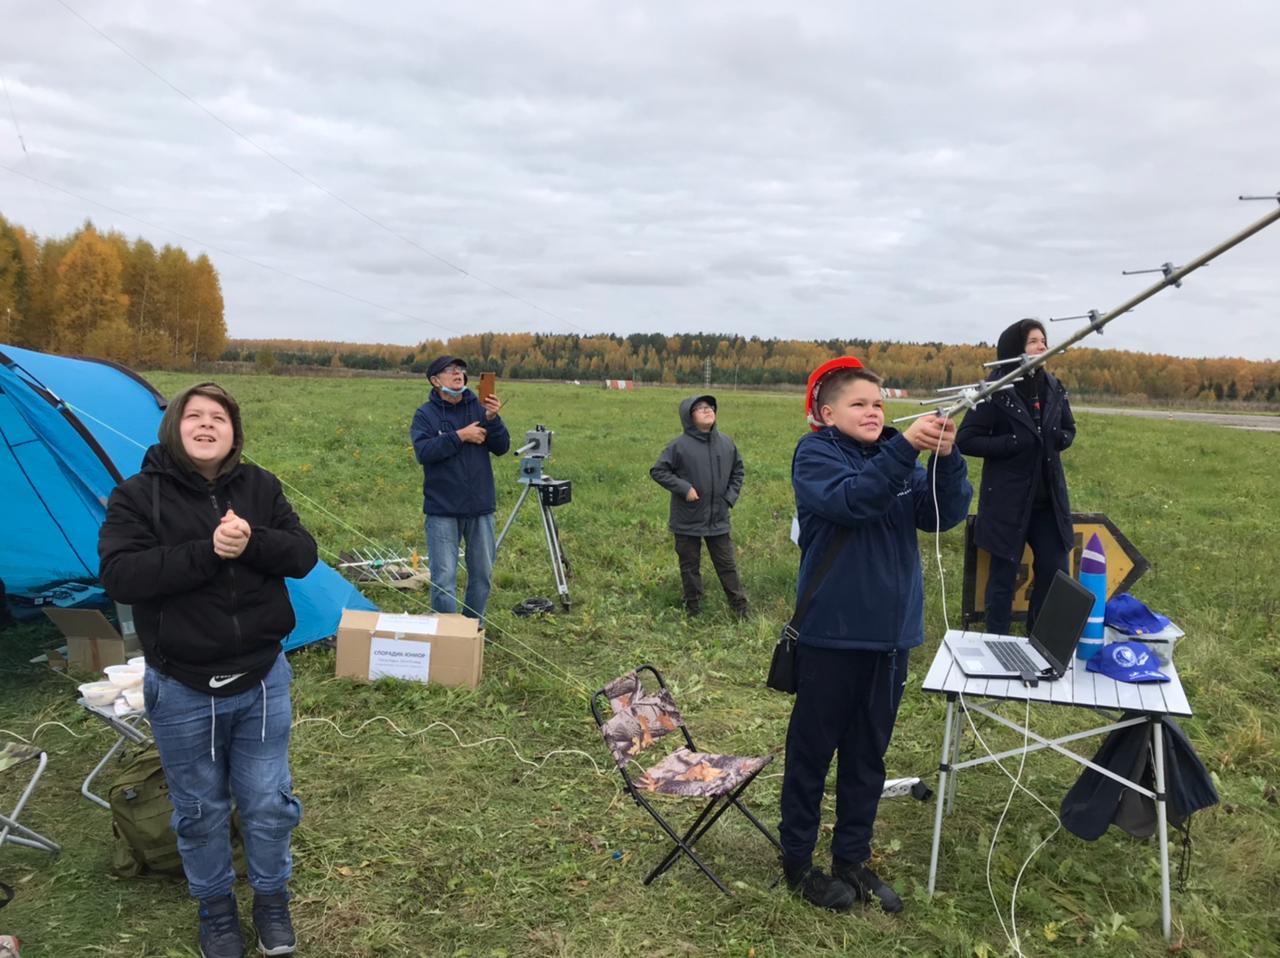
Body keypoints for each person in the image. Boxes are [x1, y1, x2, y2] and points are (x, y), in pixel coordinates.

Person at [98, 383, 317, 958]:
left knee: (268, 801)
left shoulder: (260, 486)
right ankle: (216, 912)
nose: (205, 424)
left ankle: (272, 901)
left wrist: (251, 542)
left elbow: (302, 555)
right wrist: (207, 552)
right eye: (192, 416)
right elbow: (121, 577)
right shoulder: (136, 496)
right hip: (182, 684)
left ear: (233, 432)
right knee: (198, 809)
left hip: (262, 677)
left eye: (217, 417)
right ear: (173, 428)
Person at [779, 358, 971, 913]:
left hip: (891, 640)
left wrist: (948, 457)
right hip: (831, 638)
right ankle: (798, 863)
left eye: (880, 403)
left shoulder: (898, 458)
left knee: (868, 757)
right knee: (812, 755)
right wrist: (905, 448)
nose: (873, 411)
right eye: (860, 403)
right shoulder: (815, 455)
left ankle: (852, 860)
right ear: (826, 412)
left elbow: (943, 515)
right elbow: (854, 501)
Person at [956, 318, 1076, 635]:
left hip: (1047, 502)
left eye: (1043, 340)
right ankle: (997, 643)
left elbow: (1068, 428)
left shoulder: (1053, 386)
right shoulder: (995, 390)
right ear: (1014, 349)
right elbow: (966, 439)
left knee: (1054, 571)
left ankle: (1042, 640)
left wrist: (1059, 440)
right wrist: (1012, 443)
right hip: (1007, 503)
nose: (1042, 346)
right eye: (1033, 341)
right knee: (1003, 578)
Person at [410, 355, 510, 620]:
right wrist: (460, 436)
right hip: (442, 510)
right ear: (435, 380)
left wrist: (493, 419)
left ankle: (471, 630)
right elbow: (423, 451)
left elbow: (502, 447)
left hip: (480, 508)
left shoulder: (479, 408)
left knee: (482, 575)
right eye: (450, 371)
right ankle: (447, 636)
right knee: (444, 580)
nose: (458, 374)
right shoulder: (425, 415)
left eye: (461, 370)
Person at [649, 394, 748, 618]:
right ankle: (693, 607)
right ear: (688, 416)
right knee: (689, 564)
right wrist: (684, 488)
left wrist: (729, 497)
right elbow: (659, 471)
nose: (707, 410)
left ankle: (740, 608)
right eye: (700, 408)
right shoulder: (678, 446)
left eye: (710, 407)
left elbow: (738, 471)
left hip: (718, 516)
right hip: (687, 517)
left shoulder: (726, 443)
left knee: (726, 564)